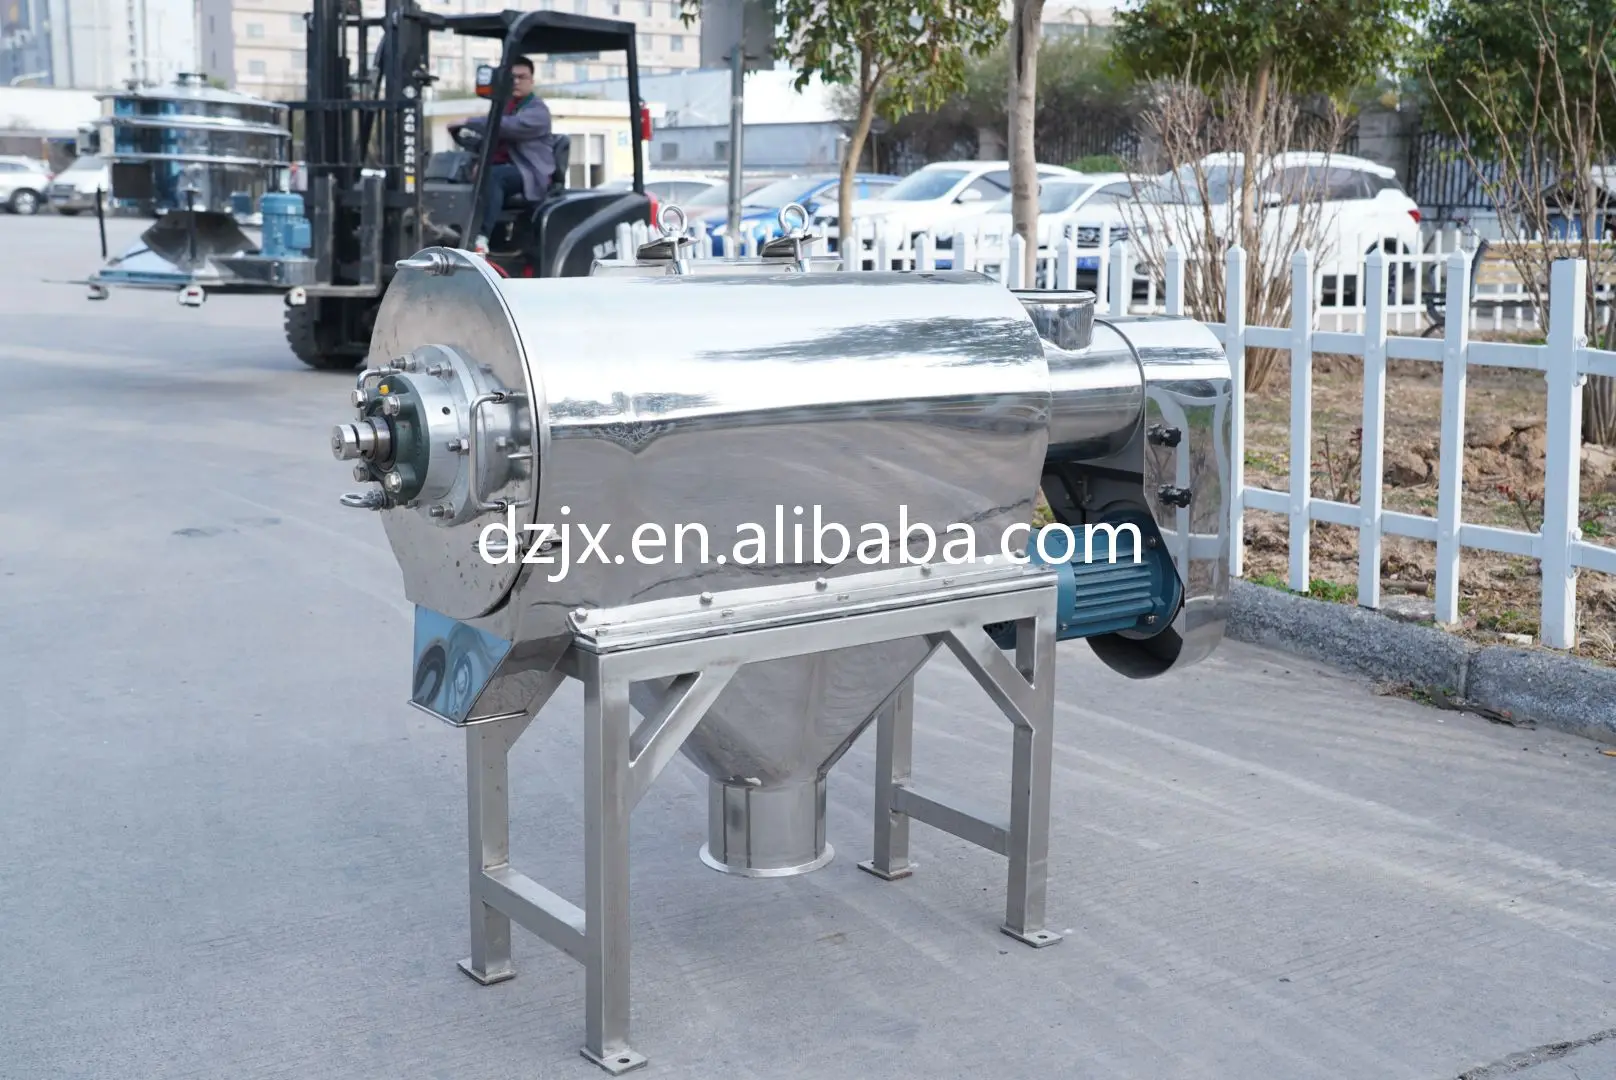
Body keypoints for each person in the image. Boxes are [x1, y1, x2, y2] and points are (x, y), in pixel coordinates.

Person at [450, 57, 555, 253]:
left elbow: (507, 127)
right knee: (458, 176)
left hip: (531, 173)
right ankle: (454, 233)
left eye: (522, 77)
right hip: (508, 169)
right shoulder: (506, 107)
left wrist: (469, 121)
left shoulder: (537, 111)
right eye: (512, 77)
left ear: (531, 81)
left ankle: (481, 237)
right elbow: (492, 141)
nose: (516, 82)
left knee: (494, 176)